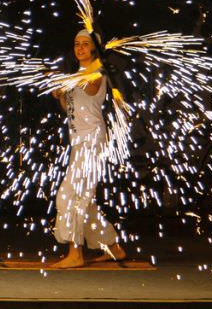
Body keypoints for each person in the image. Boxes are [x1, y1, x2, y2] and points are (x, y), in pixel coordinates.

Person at [48, 29, 126, 269]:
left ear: (94, 49)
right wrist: (60, 95)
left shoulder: (97, 72)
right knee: (87, 202)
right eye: (76, 44)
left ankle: (76, 253)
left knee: (72, 196)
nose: (80, 48)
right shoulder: (79, 74)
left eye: (85, 44)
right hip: (79, 140)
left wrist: (69, 82)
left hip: (92, 139)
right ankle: (114, 248)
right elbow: (73, 108)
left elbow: (91, 90)